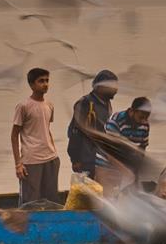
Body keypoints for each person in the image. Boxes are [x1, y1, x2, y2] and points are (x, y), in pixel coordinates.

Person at [12, 68, 60, 205]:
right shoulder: (23, 106)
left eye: (47, 81)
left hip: (51, 159)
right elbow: (14, 135)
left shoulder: (49, 105)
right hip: (31, 161)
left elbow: (46, 130)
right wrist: (18, 164)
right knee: (31, 203)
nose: (45, 84)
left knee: (51, 201)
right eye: (41, 81)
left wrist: (54, 153)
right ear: (32, 85)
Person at [67, 69, 118, 178]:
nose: (115, 90)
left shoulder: (106, 103)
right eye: (112, 86)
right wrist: (75, 159)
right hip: (86, 159)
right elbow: (75, 132)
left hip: (101, 159)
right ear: (100, 86)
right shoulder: (85, 103)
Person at [95, 97, 151, 195]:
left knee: (131, 196)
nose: (143, 121)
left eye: (146, 118)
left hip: (126, 162)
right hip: (106, 164)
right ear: (131, 111)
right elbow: (110, 154)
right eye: (141, 117)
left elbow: (141, 150)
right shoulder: (115, 122)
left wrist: (135, 171)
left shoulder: (145, 125)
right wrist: (126, 172)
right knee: (108, 198)